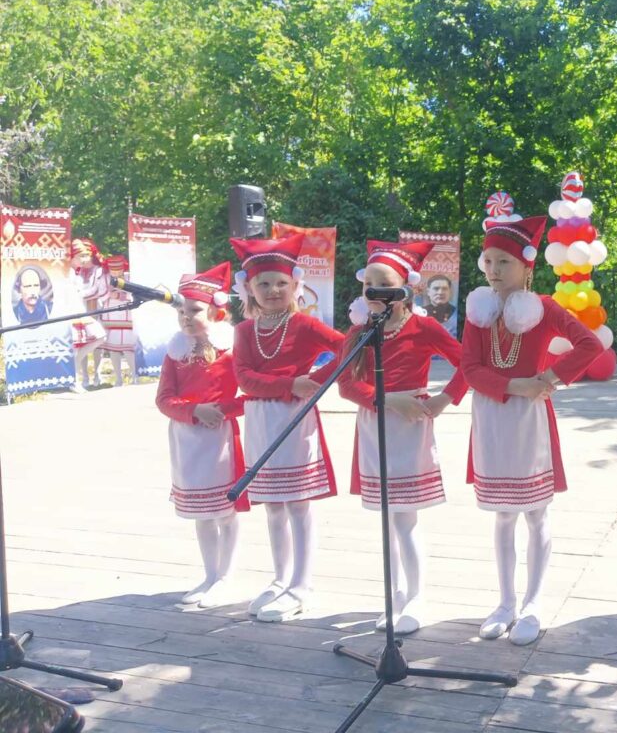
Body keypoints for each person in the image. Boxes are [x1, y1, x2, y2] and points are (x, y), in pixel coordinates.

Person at [461, 214, 604, 646]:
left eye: (503, 261)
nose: (493, 270)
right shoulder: (478, 311)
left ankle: (534, 603)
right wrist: (513, 385)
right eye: (488, 261)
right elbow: (470, 369)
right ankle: (505, 603)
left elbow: (590, 344)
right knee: (503, 513)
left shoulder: (544, 307)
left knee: (535, 511)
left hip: (529, 422)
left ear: (527, 265)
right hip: (491, 417)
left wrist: (549, 378)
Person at [337, 240, 467, 635]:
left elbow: (468, 364)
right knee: (386, 518)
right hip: (375, 423)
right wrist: (386, 399)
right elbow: (346, 384)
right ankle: (393, 596)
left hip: (410, 427)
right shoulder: (360, 331)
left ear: (405, 289)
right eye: (368, 284)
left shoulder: (422, 327)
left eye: (385, 284)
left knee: (405, 517)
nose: (375, 291)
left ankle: (416, 597)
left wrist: (444, 399)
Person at [230, 233, 346, 622]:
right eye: (264, 283)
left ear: (295, 284)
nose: (273, 290)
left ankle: (302, 583)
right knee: (273, 505)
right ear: (250, 288)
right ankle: (280, 577)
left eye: (281, 282)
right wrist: (289, 383)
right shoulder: (244, 331)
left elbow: (349, 349)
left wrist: (314, 382)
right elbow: (244, 378)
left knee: (298, 503)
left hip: (296, 420)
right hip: (261, 420)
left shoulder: (305, 325)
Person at [156, 263, 248, 609]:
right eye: (181, 311)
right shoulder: (175, 352)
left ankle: (227, 577)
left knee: (224, 510)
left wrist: (221, 410)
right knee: (201, 512)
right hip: (186, 440)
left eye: (194, 310)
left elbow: (249, 394)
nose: (186, 317)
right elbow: (164, 398)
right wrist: (193, 411)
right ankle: (210, 575)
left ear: (215, 310)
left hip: (219, 438)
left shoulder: (231, 351)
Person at [69, 238, 108, 392]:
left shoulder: (78, 271)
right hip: (74, 311)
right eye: (81, 256)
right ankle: (76, 379)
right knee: (78, 345)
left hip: (84, 310)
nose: (85, 259)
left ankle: (78, 368)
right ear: (73, 256)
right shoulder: (70, 272)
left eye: (86, 255)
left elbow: (96, 290)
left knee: (99, 336)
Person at [97, 256, 138, 386]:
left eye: (118, 269)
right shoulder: (104, 278)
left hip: (126, 316)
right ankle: (118, 379)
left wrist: (121, 295)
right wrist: (109, 294)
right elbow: (99, 294)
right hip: (110, 316)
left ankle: (134, 377)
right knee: (113, 348)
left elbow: (135, 293)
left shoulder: (129, 277)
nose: (115, 272)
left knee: (128, 348)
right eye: (113, 270)